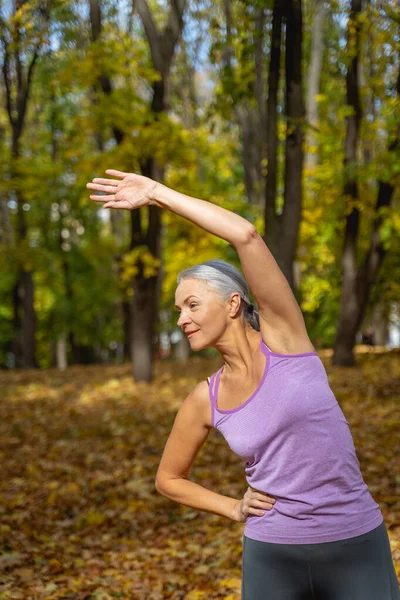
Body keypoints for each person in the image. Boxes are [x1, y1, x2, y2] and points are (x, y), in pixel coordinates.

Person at [87, 170, 399, 600]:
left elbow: (246, 236)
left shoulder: (285, 340)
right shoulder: (206, 397)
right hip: (272, 553)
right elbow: (168, 478)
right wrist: (232, 507)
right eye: (178, 309)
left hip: (355, 543)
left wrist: (157, 193)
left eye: (192, 304)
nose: (181, 319)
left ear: (233, 303)